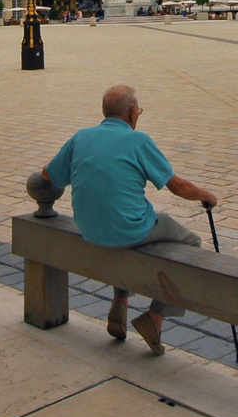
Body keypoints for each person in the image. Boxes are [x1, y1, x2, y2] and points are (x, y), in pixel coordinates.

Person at [35, 85, 218, 356]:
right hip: (129, 228)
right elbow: (177, 187)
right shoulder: (139, 141)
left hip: (89, 228)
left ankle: (120, 300)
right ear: (132, 113)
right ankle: (155, 318)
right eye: (139, 111)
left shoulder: (81, 136)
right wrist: (206, 195)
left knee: (120, 221)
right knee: (190, 242)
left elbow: (48, 175)